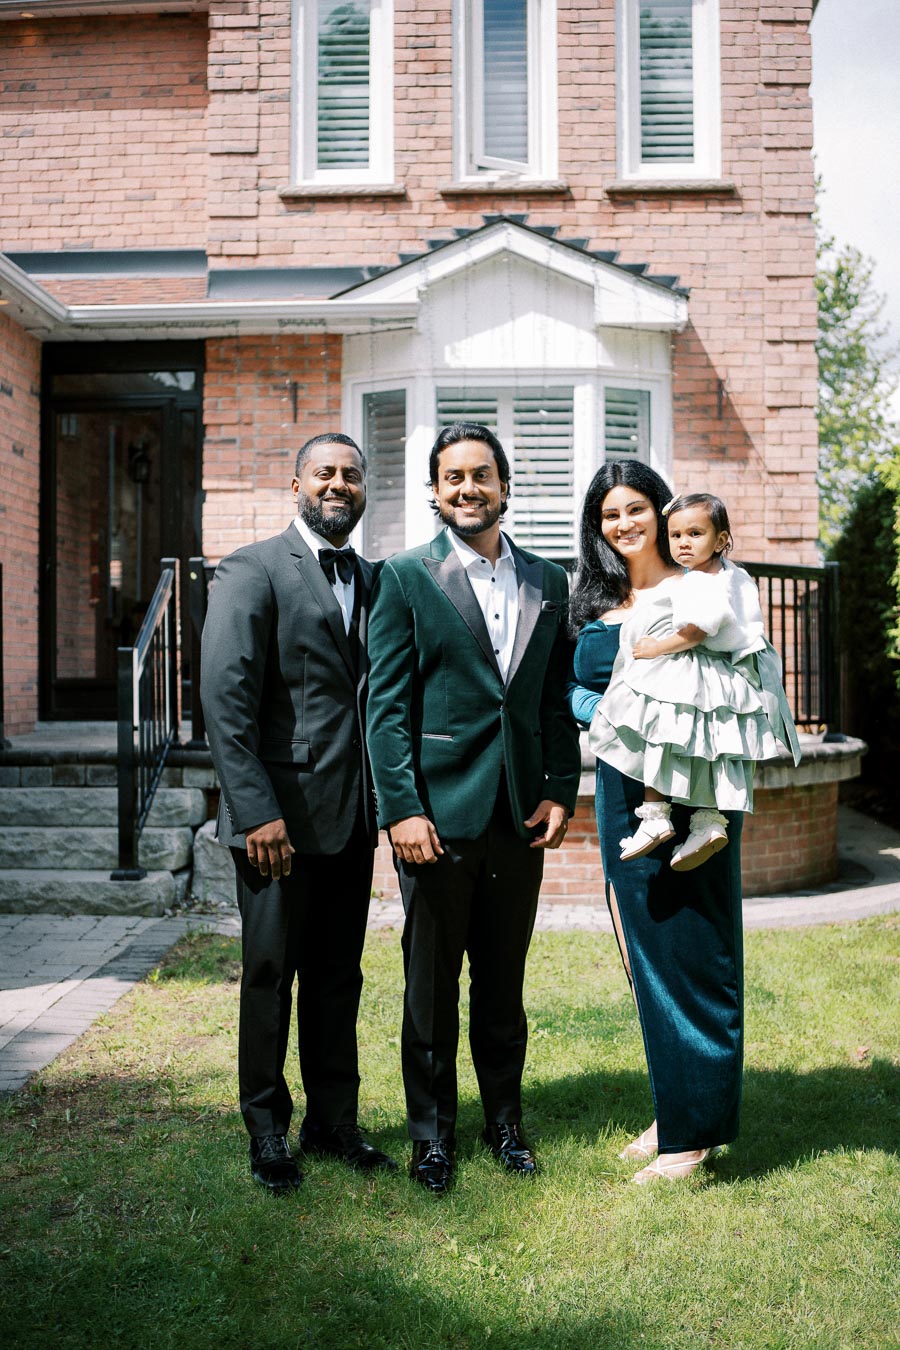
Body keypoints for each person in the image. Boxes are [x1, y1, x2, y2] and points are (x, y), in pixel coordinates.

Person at [366, 422, 581, 1193]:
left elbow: (554, 702)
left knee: (502, 984)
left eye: (481, 476)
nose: (467, 489)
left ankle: (506, 1125)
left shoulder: (549, 583)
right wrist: (401, 809)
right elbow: (385, 708)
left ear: (504, 486)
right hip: (434, 818)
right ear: (433, 491)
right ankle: (430, 1136)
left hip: (518, 817)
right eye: (453, 477)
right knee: (429, 985)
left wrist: (561, 789)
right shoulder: (404, 577)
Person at [201, 432, 397, 1193]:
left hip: (349, 817)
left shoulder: (376, 581)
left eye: (351, 474)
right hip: (276, 824)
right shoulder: (253, 570)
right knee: (269, 974)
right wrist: (256, 814)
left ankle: (334, 1120)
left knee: (336, 977)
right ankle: (266, 1130)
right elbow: (226, 699)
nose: (339, 484)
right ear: (296, 485)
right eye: (325, 473)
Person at [566, 462, 750, 1184]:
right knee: (647, 955)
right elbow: (575, 690)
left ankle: (695, 1137)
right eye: (610, 514)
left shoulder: (702, 586)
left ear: (662, 511)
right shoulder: (595, 598)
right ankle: (675, 1109)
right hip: (625, 785)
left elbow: (735, 678)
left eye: (636, 508)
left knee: (695, 949)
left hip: (695, 784)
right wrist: (612, 718)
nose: (624, 524)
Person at [589, 492, 800, 871]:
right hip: (732, 672)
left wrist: (656, 647)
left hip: (699, 662)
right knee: (710, 749)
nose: (683, 543)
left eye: (695, 534)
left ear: (720, 540)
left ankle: (655, 815)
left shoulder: (698, 582)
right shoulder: (734, 575)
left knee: (660, 730)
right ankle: (707, 821)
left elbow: (697, 631)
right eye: (675, 535)